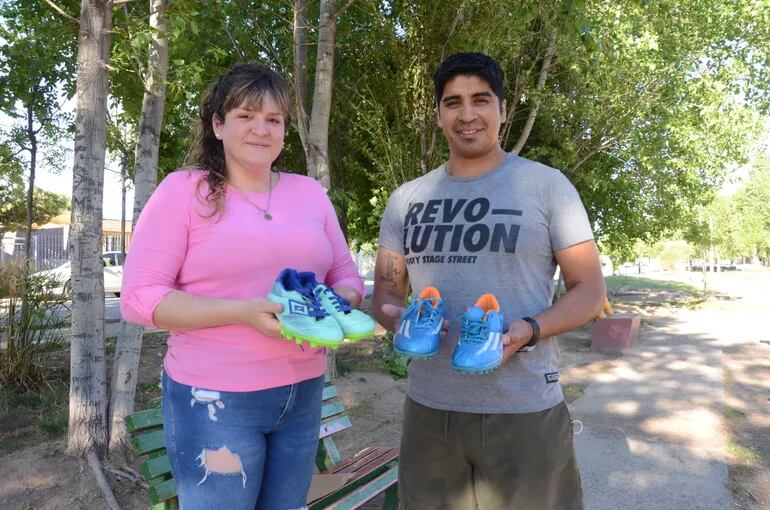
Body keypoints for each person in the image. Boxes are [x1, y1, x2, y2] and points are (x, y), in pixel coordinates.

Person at [121, 62, 365, 509]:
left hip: (304, 392)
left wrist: (336, 304)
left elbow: (347, 278)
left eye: (274, 120)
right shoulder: (184, 192)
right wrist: (240, 311)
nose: (261, 130)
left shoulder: (309, 193)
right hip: (214, 399)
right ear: (217, 124)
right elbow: (139, 299)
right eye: (246, 116)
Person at [373, 52, 606, 509]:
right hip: (429, 412)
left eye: (480, 100)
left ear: (503, 109)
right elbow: (385, 291)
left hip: (523, 409)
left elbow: (590, 290)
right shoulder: (407, 199)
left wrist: (529, 330)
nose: (467, 114)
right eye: (452, 102)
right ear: (438, 114)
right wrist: (398, 319)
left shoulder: (547, 186)